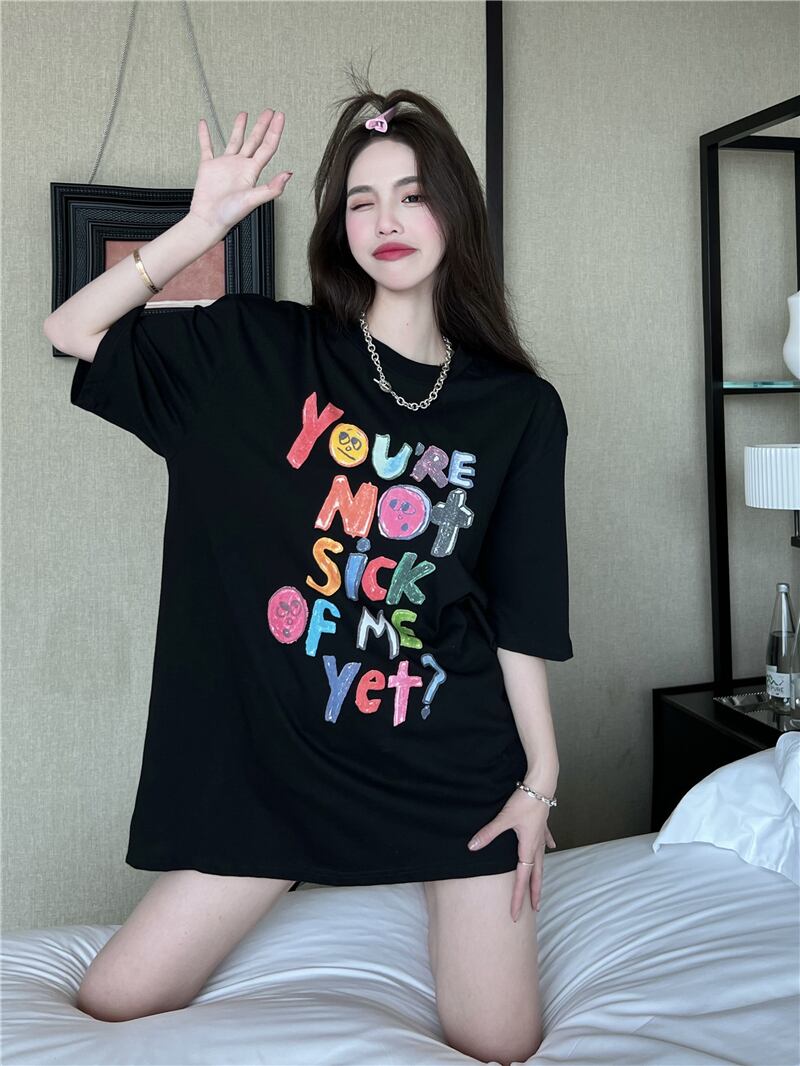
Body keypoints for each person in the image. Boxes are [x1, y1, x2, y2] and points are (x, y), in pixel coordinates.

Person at [44, 77, 573, 1064]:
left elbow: (520, 610)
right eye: (361, 201)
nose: (387, 221)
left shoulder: (517, 409)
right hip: (275, 771)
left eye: (412, 195)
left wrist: (539, 779)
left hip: (449, 766)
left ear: (455, 213)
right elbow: (73, 332)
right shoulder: (258, 351)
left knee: (500, 1044)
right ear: (339, 228)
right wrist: (199, 226)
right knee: (113, 1002)